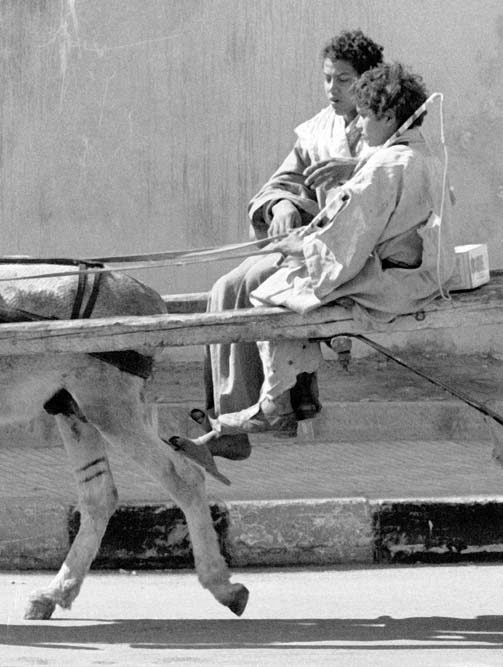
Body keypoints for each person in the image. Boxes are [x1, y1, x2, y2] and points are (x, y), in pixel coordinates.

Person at [180, 61, 453, 470]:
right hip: (414, 272)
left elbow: (346, 240)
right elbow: (347, 224)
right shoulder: (419, 153)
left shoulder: (384, 166)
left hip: (391, 280)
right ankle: (260, 402)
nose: (359, 127)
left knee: (274, 291)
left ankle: (277, 402)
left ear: (389, 116)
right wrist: (291, 215)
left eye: (364, 116)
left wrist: (302, 248)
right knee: (271, 281)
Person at [197, 29, 386, 463]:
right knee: (224, 287)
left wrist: (356, 166)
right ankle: (228, 418)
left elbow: (402, 172)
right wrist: (282, 203)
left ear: (367, 80)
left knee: (257, 285)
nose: (332, 89)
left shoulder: (388, 123)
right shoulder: (318, 130)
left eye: (344, 79)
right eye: (327, 78)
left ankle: (275, 405)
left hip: (353, 254)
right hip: (310, 244)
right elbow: (281, 182)